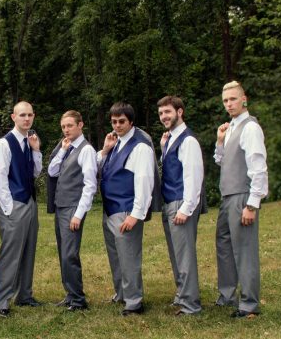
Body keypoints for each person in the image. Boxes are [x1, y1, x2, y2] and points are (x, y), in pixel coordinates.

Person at [214, 81, 268, 318]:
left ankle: (248, 304)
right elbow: (222, 161)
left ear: (244, 99)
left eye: (233, 99)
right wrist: (219, 140)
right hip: (226, 197)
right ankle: (227, 295)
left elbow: (258, 167)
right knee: (224, 246)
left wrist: (252, 203)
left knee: (244, 250)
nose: (229, 104)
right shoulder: (231, 128)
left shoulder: (250, 128)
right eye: (226, 101)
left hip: (242, 197)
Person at [98, 102, 156, 316]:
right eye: (114, 122)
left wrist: (135, 214)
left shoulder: (139, 147)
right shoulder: (116, 144)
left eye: (122, 121)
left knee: (129, 257)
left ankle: (134, 301)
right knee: (116, 256)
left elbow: (144, 181)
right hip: (110, 209)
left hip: (126, 210)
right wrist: (105, 150)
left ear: (131, 121)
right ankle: (121, 293)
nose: (117, 125)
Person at [0, 101, 43, 318]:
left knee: (28, 251)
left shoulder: (29, 141)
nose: (26, 118)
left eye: (30, 115)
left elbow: (36, 173)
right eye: (22, 115)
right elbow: (1, 178)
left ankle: (24, 295)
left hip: (30, 202)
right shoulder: (4, 143)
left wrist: (36, 150)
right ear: (14, 117)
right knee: (11, 254)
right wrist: (8, 208)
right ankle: (2, 301)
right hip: (14, 203)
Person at [157, 96, 206, 316]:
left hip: (181, 203)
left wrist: (186, 209)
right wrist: (162, 148)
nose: (164, 117)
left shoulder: (188, 141)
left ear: (180, 112)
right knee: (176, 255)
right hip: (170, 201)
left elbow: (194, 177)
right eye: (160, 113)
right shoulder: (170, 140)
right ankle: (182, 295)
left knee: (185, 255)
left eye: (167, 112)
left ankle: (191, 304)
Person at [46, 110, 97, 312]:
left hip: (73, 208)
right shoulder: (66, 147)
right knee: (63, 252)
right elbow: (51, 171)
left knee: (69, 255)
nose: (66, 130)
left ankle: (78, 299)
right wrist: (62, 150)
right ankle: (70, 294)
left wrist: (78, 214)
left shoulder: (86, 150)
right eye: (63, 127)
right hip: (61, 207)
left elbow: (90, 185)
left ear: (80, 125)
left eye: (70, 126)